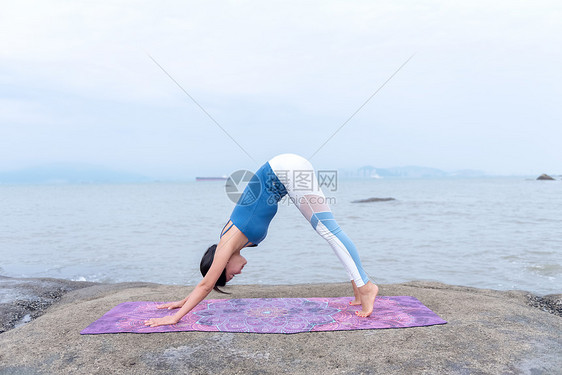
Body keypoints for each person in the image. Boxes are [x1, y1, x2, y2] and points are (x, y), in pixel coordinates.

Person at [144, 153, 378, 327]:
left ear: (222, 262)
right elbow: (207, 281)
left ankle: (366, 287)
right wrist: (182, 301)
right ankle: (358, 289)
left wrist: (174, 317)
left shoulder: (227, 243)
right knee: (327, 230)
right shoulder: (234, 241)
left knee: (328, 230)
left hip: (286, 171)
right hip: (286, 171)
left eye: (231, 274)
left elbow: (206, 285)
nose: (239, 273)